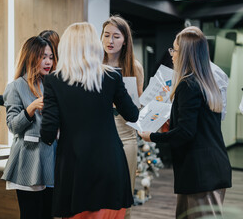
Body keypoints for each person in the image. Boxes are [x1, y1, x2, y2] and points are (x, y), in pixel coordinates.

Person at [40, 22, 139, 218]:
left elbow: (48, 133)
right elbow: (132, 115)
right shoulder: (112, 76)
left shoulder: (53, 81)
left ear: (65, 47)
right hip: (111, 164)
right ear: (94, 45)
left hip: (74, 168)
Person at [139, 26, 232, 219]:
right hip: (210, 168)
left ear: (186, 54)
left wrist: (152, 136)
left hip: (201, 172)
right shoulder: (207, 83)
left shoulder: (188, 85)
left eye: (175, 50)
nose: (171, 55)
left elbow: (185, 132)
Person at [2, 36, 57, 219]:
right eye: (43, 57)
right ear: (31, 57)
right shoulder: (16, 87)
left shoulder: (54, 85)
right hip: (29, 160)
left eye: (50, 56)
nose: (48, 61)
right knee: (31, 214)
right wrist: (31, 108)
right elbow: (13, 126)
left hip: (53, 160)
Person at [101, 15, 144, 218]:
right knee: (101, 196)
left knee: (124, 197)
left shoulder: (134, 67)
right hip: (100, 136)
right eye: (106, 35)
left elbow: (139, 103)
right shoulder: (94, 65)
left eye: (116, 36)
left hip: (126, 135)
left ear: (125, 40)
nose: (110, 41)